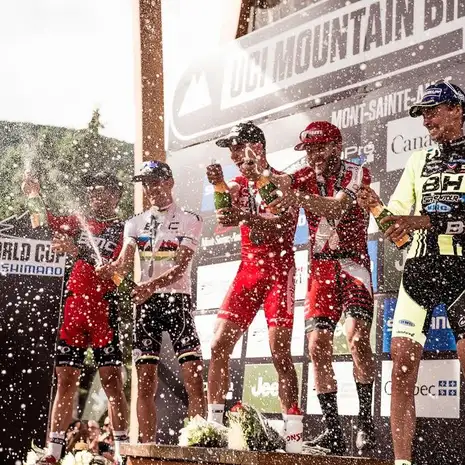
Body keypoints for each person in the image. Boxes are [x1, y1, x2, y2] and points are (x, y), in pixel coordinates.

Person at [358, 80, 465, 465]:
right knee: (401, 368)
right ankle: (402, 462)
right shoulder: (419, 160)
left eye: (433, 111)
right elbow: (398, 229)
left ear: (457, 110)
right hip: (419, 270)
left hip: (460, 269)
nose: (426, 121)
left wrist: (424, 221)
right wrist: (376, 207)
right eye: (422, 115)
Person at [269, 121, 375, 454]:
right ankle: (333, 430)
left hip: (353, 264)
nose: (313, 156)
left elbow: (336, 207)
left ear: (336, 147)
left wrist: (295, 195)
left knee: (357, 338)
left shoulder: (358, 173)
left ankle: (365, 420)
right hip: (320, 269)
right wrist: (261, 175)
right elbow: (276, 186)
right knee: (317, 345)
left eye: (319, 148)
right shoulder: (302, 175)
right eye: (309, 150)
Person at [21, 172, 129, 465]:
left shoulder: (124, 229)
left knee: (111, 381)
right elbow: (40, 222)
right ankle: (54, 452)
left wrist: (77, 250)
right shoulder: (78, 222)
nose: (95, 196)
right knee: (65, 379)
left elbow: (116, 275)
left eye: (101, 191)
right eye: (91, 191)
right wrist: (33, 194)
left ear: (116, 195)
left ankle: (122, 452)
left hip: (103, 309)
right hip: (74, 308)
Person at [96, 161, 205, 443]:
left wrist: (150, 286)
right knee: (144, 382)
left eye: (155, 182)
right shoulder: (134, 222)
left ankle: (200, 444)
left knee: (193, 378)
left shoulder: (190, 219)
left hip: (177, 301)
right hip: (146, 306)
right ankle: (147, 448)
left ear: (169, 182)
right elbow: (123, 264)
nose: (151, 188)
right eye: (146, 184)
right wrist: (110, 269)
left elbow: (181, 267)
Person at [206, 121, 300, 426]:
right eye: (231, 150)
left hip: (279, 271)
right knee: (218, 344)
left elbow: (281, 225)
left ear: (257, 147)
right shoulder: (238, 184)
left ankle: (293, 433)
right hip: (249, 270)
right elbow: (225, 216)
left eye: (238, 147)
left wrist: (245, 215)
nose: (234, 155)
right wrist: (219, 185)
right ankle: (214, 425)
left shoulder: (282, 181)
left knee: (280, 353)